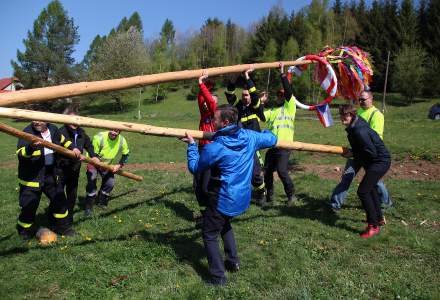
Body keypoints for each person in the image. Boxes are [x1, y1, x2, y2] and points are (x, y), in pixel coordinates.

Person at [182, 104, 277, 285]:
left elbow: (195, 167)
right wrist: (263, 135)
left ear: (225, 122)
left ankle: (218, 278)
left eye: (214, 119)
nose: (212, 121)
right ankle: (233, 262)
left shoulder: (215, 147)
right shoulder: (250, 137)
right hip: (241, 196)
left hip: (222, 197)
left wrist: (192, 147)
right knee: (224, 224)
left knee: (209, 233)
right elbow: (272, 138)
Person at [16, 120, 80, 239]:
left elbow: (63, 140)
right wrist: (31, 147)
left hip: (51, 173)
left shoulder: (53, 129)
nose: (36, 122)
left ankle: (62, 227)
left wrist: (73, 148)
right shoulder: (27, 132)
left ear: (47, 119)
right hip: (32, 177)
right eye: (33, 119)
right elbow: (21, 153)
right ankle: (24, 230)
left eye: (39, 119)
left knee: (60, 201)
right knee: (29, 206)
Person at [330, 90, 392, 211]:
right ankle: (335, 204)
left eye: (363, 99)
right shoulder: (358, 112)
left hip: (370, 154)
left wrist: (356, 151)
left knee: (375, 181)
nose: (361, 101)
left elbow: (375, 138)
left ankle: (385, 203)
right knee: (347, 176)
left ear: (371, 99)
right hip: (357, 151)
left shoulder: (376, 115)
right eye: (360, 99)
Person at [338, 104, 391, 238]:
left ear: (352, 115)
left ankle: (373, 226)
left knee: (363, 191)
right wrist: (354, 152)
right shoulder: (354, 127)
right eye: (341, 114)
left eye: (345, 115)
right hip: (373, 161)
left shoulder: (359, 130)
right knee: (370, 188)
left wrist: (352, 154)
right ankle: (378, 218)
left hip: (379, 161)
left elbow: (371, 152)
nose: (342, 117)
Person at [225, 67, 267, 205]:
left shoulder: (256, 106)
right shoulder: (238, 107)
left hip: (253, 144)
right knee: (239, 172)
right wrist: (234, 78)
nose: (244, 97)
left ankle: (261, 193)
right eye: (243, 95)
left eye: (246, 95)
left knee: (255, 173)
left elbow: (255, 96)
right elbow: (229, 94)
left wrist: (248, 78)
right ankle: (239, 196)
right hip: (241, 145)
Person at [57, 107, 100, 223]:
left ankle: (69, 217)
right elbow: (63, 144)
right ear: (66, 120)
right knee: (59, 194)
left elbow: (89, 145)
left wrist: (93, 155)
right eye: (71, 120)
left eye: (77, 119)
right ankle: (58, 218)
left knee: (72, 194)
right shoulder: (60, 132)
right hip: (60, 168)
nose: (74, 123)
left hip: (74, 168)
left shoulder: (81, 132)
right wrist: (73, 149)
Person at [263, 62, 297, 206]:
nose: (280, 96)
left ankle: (291, 196)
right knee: (268, 172)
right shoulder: (272, 111)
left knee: (282, 172)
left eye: (282, 95)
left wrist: (282, 74)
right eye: (278, 94)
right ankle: (269, 196)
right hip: (273, 147)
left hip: (284, 146)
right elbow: (260, 115)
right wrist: (259, 100)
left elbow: (288, 91)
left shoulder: (290, 107)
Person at [84, 129, 129, 216]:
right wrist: (97, 162)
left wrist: (119, 165)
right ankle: (88, 206)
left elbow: (126, 154)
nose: (113, 132)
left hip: (107, 165)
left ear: (120, 132)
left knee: (110, 183)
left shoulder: (122, 140)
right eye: (112, 130)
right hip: (93, 162)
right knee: (91, 183)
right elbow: (91, 152)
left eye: (116, 131)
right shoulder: (99, 137)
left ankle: (101, 200)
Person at [193, 70, 218, 225]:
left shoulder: (216, 112)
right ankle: (204, 215)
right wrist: (205, 81)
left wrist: (202, 84)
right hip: (202, 148)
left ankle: (211, 215)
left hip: (212, 151)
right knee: (197, 185)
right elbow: (202, 98)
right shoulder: (204, 115)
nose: (207, 103)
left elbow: (209, 100)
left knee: (205, 186)